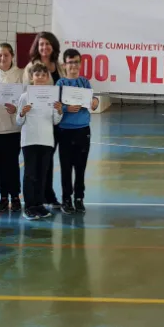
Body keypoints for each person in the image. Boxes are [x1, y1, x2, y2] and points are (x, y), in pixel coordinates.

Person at [16, 63, 63, 220]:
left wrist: (59, 110)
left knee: (42, 174)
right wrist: (22, 113)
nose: (41, 77)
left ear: (47, 77)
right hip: (29, 140)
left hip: (46, 140)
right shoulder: (24, 97)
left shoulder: (53, 97)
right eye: (37, 74)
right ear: (32, 77)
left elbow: (55, 121)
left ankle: (39, 205)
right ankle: (29, 207)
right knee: (30, 174)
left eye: (44, 75)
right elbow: (18, 121)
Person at [56, 49, 100, 214]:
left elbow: (92, 100)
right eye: (70, 62)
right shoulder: (60, 84)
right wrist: (66, 108)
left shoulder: (84, 82)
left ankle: (79, 198)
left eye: (76, 62)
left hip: (82, 130)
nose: (73, 65)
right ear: (64, 65)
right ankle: (66, 199)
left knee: (80, 167)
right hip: (65, 131)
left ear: (80, 64)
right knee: (66, 167)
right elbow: (55, 105)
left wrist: (95, 101)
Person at [24, 32, 62, 209]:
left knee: (48, 160)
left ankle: (47, 194)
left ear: (53, 46)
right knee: (35, 165)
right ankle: (36, 199)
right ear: (36, 47)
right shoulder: (30, 67)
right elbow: (26, 92)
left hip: (55, 119)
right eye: (41, 44)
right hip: (36, 122)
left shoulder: (58, 66)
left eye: (47, 44)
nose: (44, 47)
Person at [0, 43, 24, 213]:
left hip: (14, 127)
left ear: (12, 56)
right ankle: (3, 197)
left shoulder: (20, 74)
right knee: (0, 164)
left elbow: (25, 98)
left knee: (13, 162)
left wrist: (17, 108)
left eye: (6, 55)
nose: (2, 58)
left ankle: (15, 197)